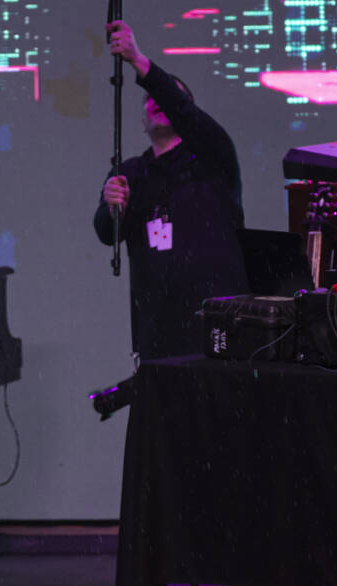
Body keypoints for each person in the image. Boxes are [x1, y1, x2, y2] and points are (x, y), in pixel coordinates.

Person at [93, 20, 247, 361]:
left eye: (168, 96)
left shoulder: (212, 160)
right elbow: (107, 232)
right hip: (158, 329)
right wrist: (111, 207)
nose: (156, 102)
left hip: (217, 325)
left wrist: (140, 64)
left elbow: (184, 112)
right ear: (142, 123)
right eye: (149, 99)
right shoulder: (131, 172)